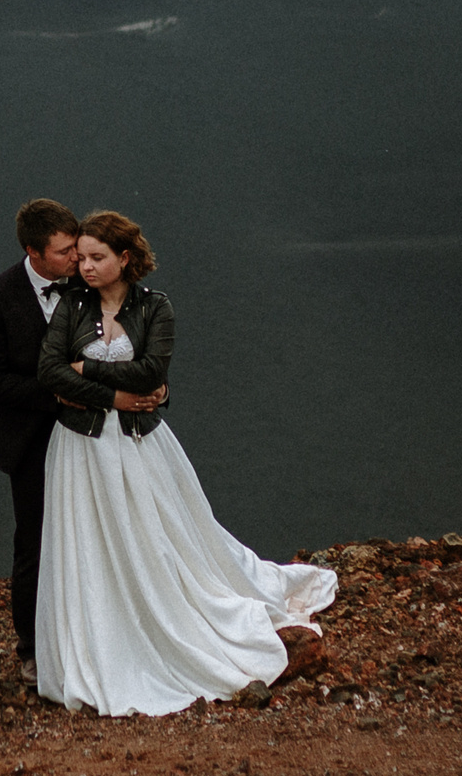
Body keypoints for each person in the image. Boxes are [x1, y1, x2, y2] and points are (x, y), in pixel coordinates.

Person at [33, 210, 336, 715]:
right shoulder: (72, 304)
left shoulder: (156, 307)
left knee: (154, 536)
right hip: (80, 449)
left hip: (139, 446)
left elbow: (153, 370)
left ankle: (161, 627)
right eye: (81, 257)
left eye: (96, 257)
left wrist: (87, 370)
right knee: (86, 542)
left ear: (124, 258)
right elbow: (49, 370)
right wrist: (116, 397)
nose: (84, 267)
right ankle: (97, 644)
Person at [0, 198, 86, 686]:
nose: (76, 260)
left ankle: (92, 640)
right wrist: (57, 392)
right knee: (35, 545)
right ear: (34, 253)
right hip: (32, 443)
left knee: (97, 538)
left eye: (77, 249)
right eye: (64, 253)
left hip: (94, 440)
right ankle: (33, 651)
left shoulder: (89, 283)